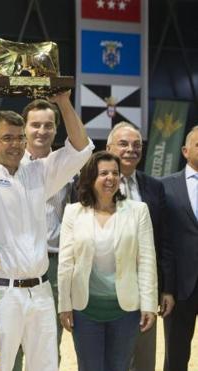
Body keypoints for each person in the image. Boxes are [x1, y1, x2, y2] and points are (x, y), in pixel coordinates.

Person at [0, 77, 93, 371]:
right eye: (7, 138)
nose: (16, 144)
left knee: (45, 366)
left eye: (20, 138)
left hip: (41, 292)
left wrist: (64, 102)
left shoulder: (37, 173)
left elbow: (81, 150)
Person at [58, 151, 157, 371]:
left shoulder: (138, 211)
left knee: (119, 367)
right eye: (103, 173)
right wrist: (64, 305)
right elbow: (66, 263)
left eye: (115, 173)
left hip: (125, 311)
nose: (110, 178)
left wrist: (149, 304)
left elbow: (147, 260)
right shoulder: (73, 212)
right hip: (85, 310)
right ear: (91, 178)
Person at [104, 121, 174, 371]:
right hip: (103, 285)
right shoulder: (90, 184)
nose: (131, 149)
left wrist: (166, 289)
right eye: (123, 144)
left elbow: (164, 240)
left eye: (136, 145)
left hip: (144, 286)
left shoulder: (155, 187)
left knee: (143, 359)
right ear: (109, 147)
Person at [12, 98, 73, 370]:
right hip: (15, 262)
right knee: (11, 342)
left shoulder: (67, 169)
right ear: (24, 129)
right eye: (35, 125)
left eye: (48, 125)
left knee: (49, 339)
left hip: (55, 260)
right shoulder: (9, 166)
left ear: (56, 129)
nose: (42, 131)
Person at [162, 125, 198, 371]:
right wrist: (166, 289)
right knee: (175, 357)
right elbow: (163, 242)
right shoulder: (164, 186)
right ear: (185, 151)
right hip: (180, 289)